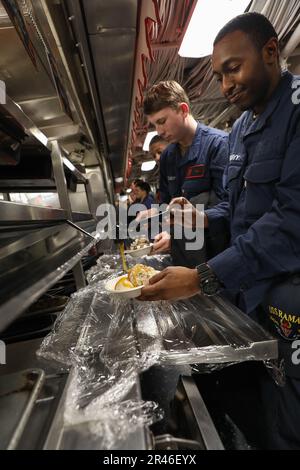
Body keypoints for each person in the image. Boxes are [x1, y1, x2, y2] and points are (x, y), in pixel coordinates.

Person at [140, 12, 300, 449]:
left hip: (290, 297)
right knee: (257, 409)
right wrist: (202, 219)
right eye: (218, 75)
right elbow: (238, 207)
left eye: (233, 68)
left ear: (271, 52)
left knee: (290, 422)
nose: (226, 85)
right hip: (250, 291)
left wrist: (201, 278)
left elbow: (289, 223)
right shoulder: (245, 125)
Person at [143, 80, 229, 267]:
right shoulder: (167, 157)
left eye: (162, 121)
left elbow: (232, 206)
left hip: (215, 256)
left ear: (183, 110)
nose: (159, 131)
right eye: (154, 125)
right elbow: (167, 203)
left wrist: (201, 218)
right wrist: (167, 231)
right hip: (183, 256)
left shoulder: (218, 145)